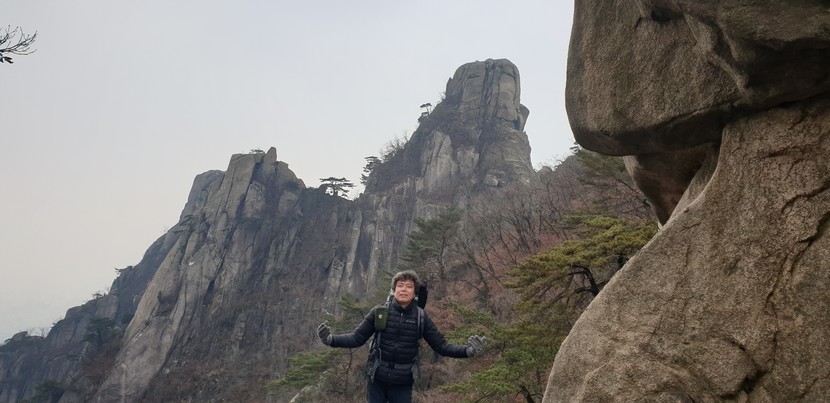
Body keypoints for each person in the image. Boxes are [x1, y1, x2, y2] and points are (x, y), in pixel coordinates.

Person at [316, 270, 485, 403]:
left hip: (403, 383)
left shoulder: (421, 317)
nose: (404, 289)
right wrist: (330, 340)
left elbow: (441, 346)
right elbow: (357, 338)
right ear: (394, 290)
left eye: (409, 286)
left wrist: (468, 351)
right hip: (377, 379)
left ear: (414, 292)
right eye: (400, 285)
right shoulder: (379, 312)